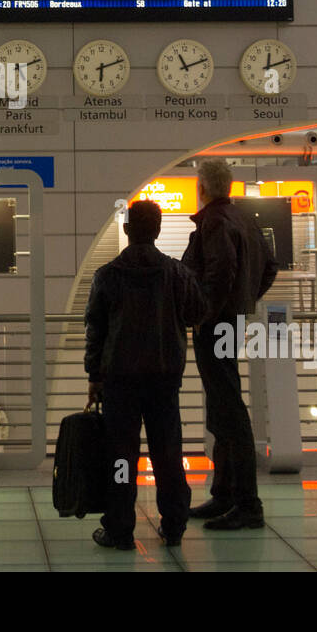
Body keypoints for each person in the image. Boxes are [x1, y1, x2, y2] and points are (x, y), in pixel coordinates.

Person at [84, 199, 203, 549]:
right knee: (167, 452)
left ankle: (120, 528)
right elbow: (197, 311)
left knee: (121, 455)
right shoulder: (177, 274)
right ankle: (175, 525)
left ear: (126, 230)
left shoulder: (107, 275)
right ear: (159, 230)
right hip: (164, 377)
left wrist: (94, 376)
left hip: (119, 380)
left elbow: (96, 329)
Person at [181, 158, 278, 530]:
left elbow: (220, 272)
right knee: (223, 405)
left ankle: (247, 503)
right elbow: (269, 267)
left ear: (202, 188)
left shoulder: (215, 222)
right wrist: (246, 300)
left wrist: (206, 313)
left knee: (229, 408)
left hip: (215, 324)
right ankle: (224, 493)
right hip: (232, 321)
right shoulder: (242, 219)